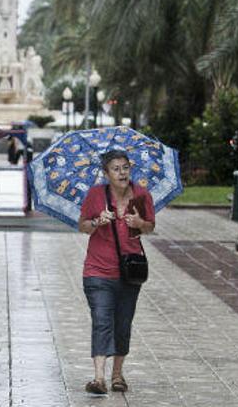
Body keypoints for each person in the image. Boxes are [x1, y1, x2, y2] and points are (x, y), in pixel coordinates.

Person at [78, 149, 155, 394]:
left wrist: (139, 224)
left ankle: (117, 375)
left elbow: (150, 227)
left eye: (125, 168)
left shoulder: (141, 194)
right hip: (98, 270)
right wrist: (97, 222)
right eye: (115, 169)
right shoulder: (96, 195)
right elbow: (83, 226)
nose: (121, 173)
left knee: (123, 323)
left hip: (129, 271)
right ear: (106, 173)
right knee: (102, 320)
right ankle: (99, 378)